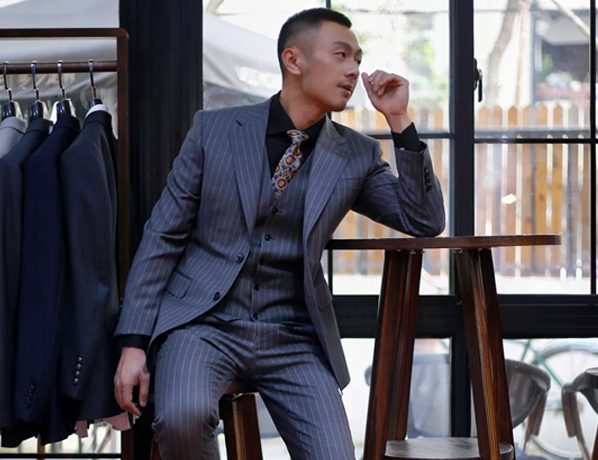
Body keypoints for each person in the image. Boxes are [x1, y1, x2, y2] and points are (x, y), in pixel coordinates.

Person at [113, 7, 445, 460]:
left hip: (293, 334)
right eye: (341, 55)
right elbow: (162, 237)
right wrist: (133, 343)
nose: (354, 70)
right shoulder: (214, 131)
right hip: (203, 326)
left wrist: (399, 121)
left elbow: (424, 220)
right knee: (182, 417)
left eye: (358, 59)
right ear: (294, 60)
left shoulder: (356, 154)